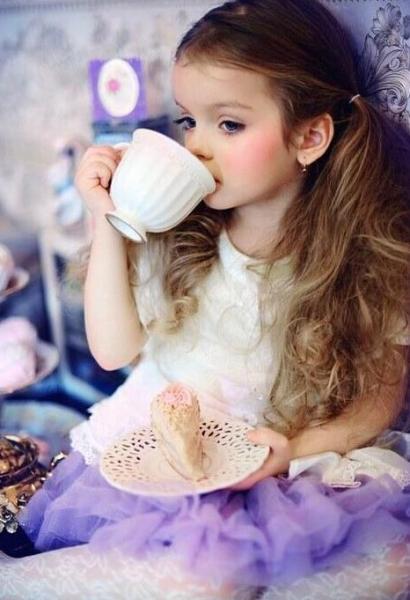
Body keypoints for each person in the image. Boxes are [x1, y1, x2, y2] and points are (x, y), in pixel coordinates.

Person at [11, 0, 410, 596]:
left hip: (289, 459)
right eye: (188, 121)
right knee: (207, 579)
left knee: (392, 562)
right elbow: (113, 351)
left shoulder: (366, 257)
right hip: (173, 455)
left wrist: (294, 450)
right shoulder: (181, 233)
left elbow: (379, 399)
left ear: (309, 137)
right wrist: (107, 220)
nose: (196, 145)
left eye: (228, 125)